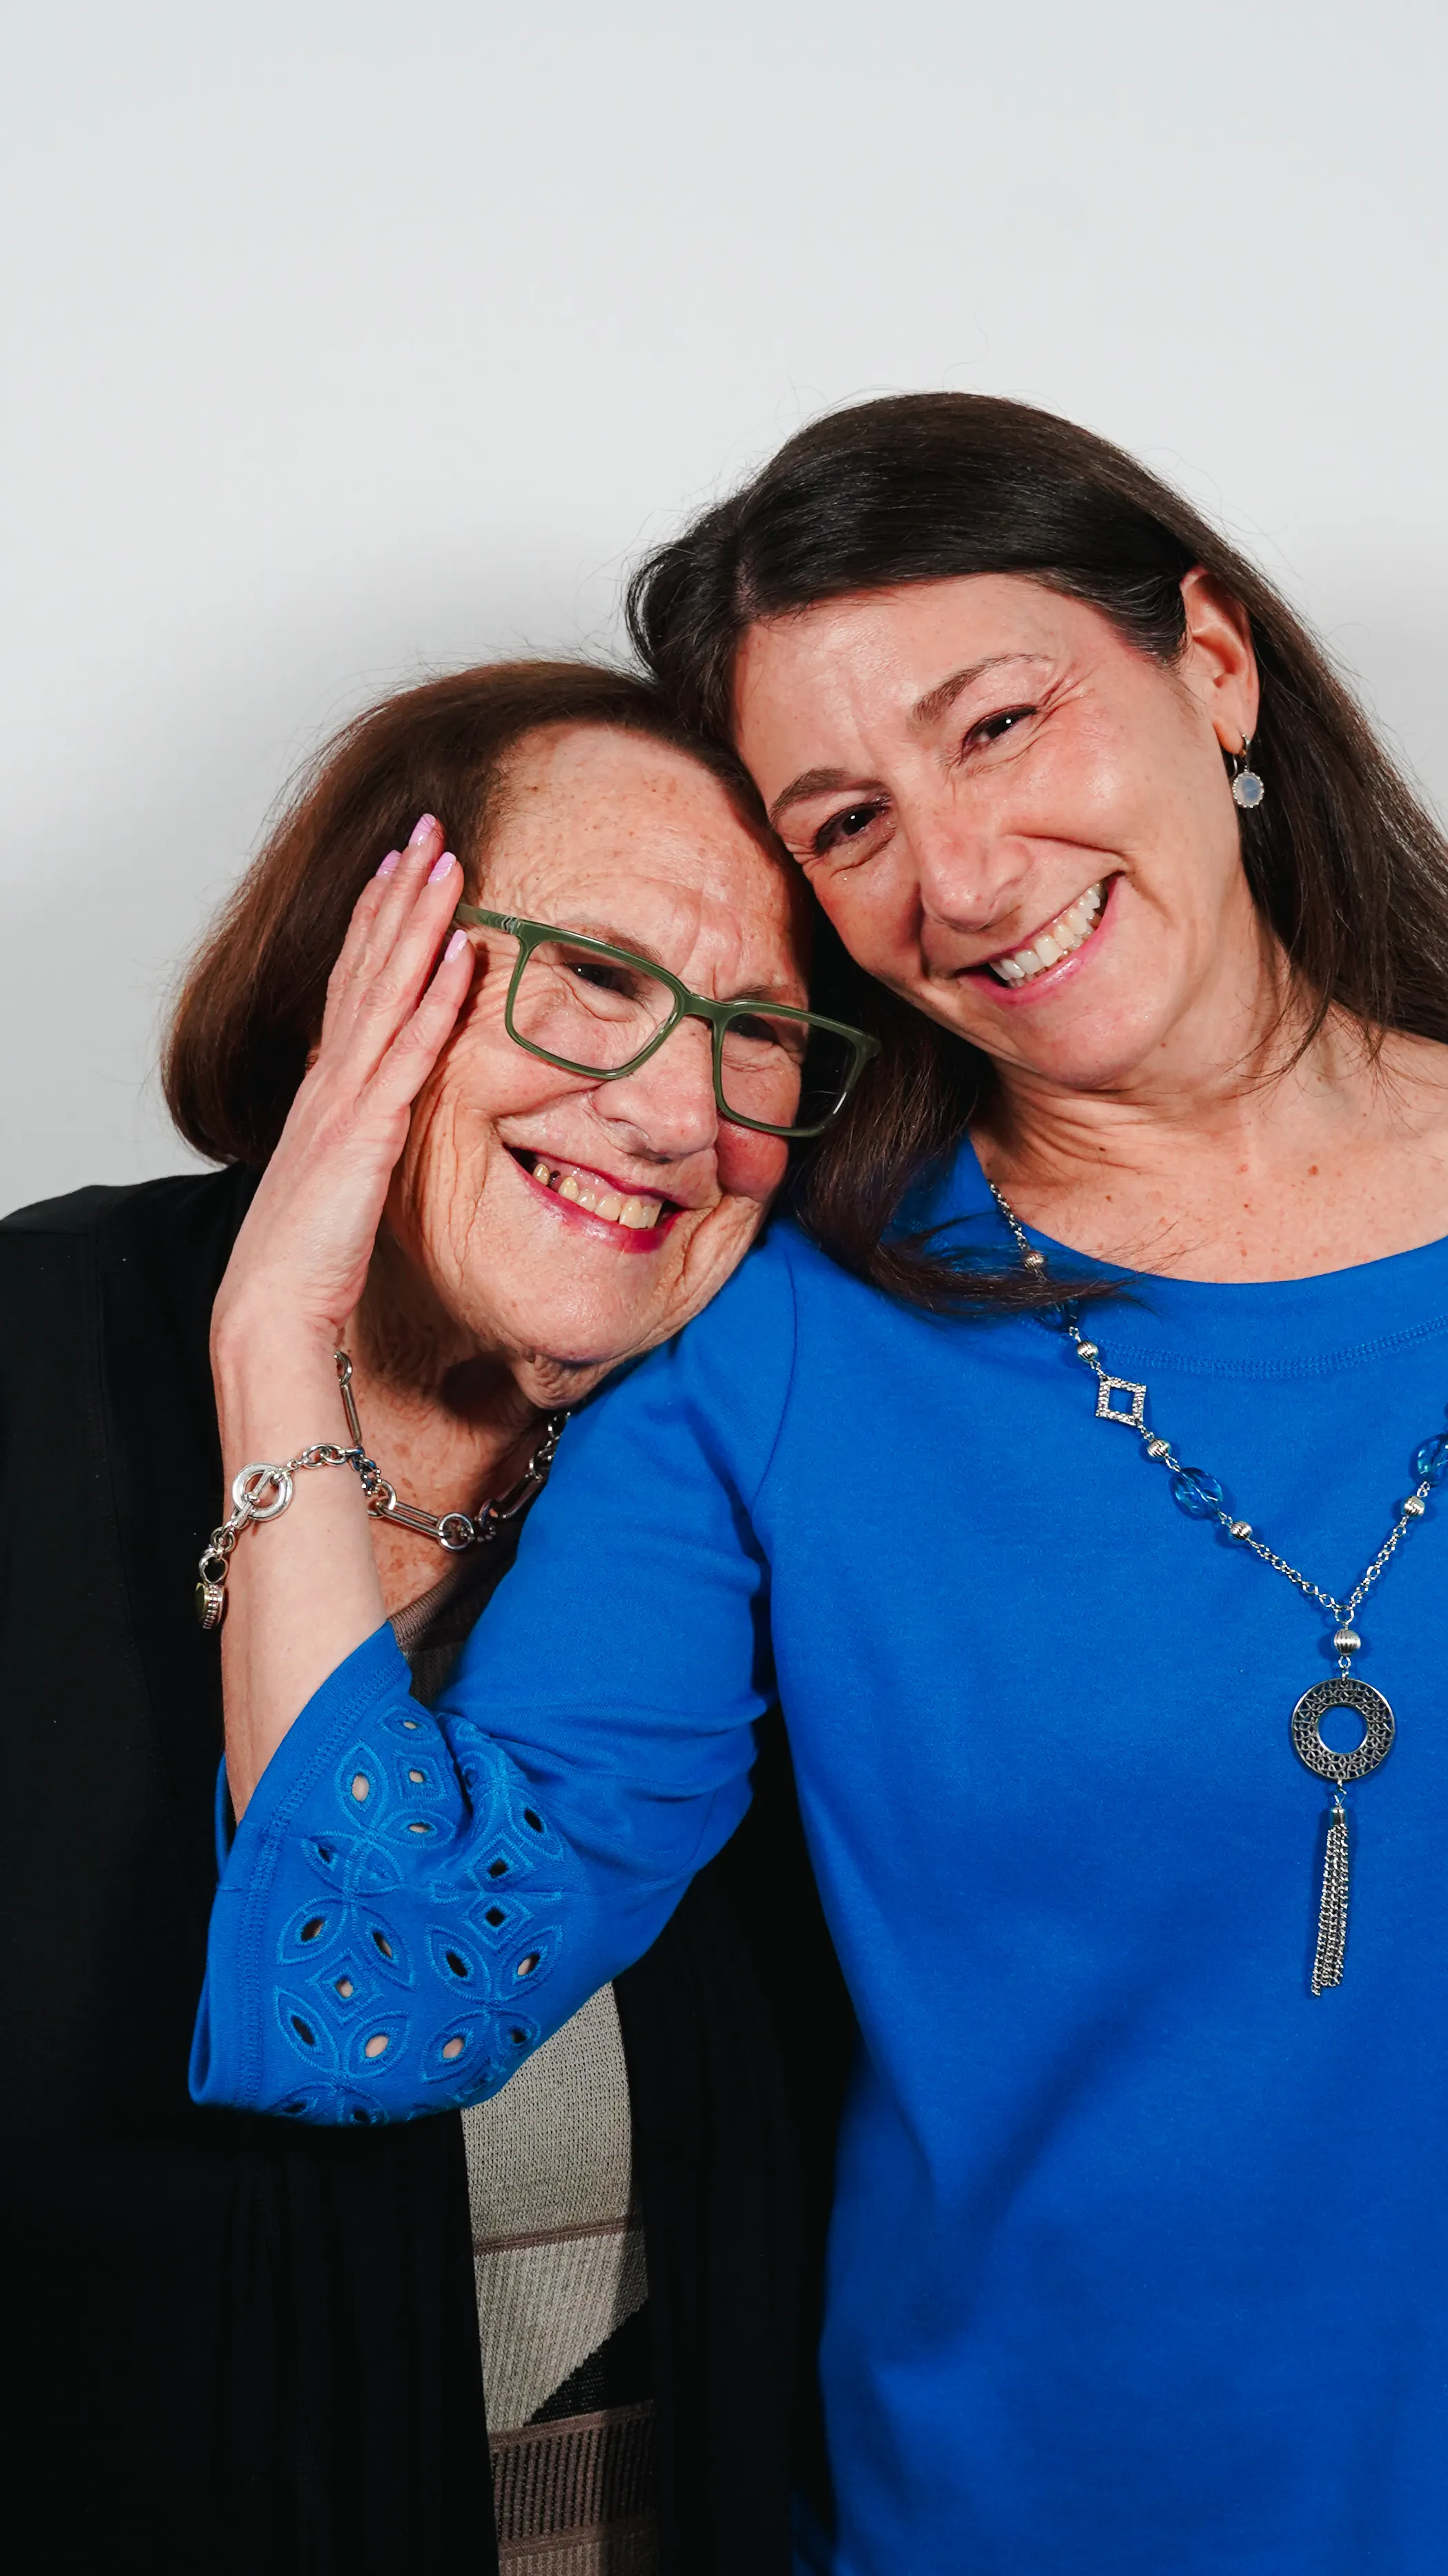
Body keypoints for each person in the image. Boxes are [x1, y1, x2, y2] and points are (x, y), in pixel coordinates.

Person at [193, 396, 1448, 2576]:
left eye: (999, 725)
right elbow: (377, 1986)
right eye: (847, 824)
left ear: (1215, 666)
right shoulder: (774, 1337)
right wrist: (276, 1335)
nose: (963, 877)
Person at [3, 659, 858, 2576]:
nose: (675, 1110)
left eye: (761, 1031)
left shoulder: (775, 1467)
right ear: (359, 969)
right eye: (596, 976)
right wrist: (275, 1333)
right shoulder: (35, 1360)